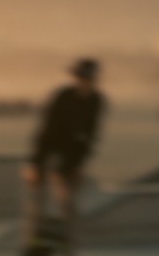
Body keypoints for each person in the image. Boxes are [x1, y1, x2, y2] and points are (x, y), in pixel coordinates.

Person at [24, 58, 106, 253]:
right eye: (81, 77)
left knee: (67, 207)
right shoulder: (63, 97)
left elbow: (89, 136)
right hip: (49, 154)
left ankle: (67, 248)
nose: (84, 82)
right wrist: (36, 164)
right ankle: (33, 247)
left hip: (71, 159)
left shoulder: (96, 101)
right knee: (38, 205)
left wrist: (77, 165)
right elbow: (47, 131)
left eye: (88, 78)